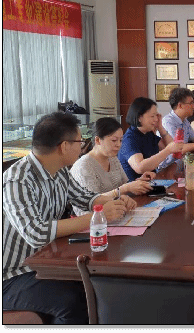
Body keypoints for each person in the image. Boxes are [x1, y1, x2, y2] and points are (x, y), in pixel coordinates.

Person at [3, 112, 136, 324]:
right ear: (64, 146)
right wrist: (98, 216)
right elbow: (36, 233)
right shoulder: (18, 180)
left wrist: (115, 202)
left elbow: (86, 198)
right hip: (14, 273)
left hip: (48, 262)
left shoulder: (61, 172)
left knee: (101, 285)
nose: (82, 147)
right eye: (79, 142)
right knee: (73, 302)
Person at [70, 117, 156, 214]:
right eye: (114, 140)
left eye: (121, 140)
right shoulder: (83, 167)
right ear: (97, 140)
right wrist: (126, 188)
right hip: (94, 219)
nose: (118, 145)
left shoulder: (113, 158)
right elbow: (92, 202)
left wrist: (137, 183)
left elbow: (123, 186)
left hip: (116, 213)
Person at [117, 97, 186, 181]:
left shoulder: (148, 133)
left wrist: (160, 128)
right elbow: (140, 167)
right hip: (135, 186)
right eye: (152, 116)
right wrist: (168, 150)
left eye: (156, 116)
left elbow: (172, 147)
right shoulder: (129, 139)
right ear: (139, 117)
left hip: (151, 183)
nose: (156, 119)